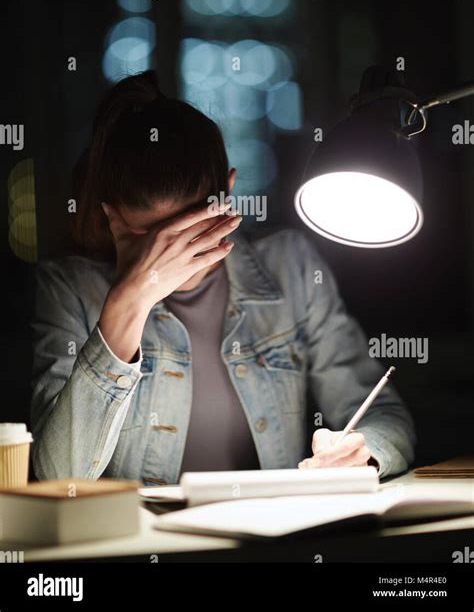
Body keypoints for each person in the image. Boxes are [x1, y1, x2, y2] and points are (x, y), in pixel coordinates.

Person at [30, 70, 416, 485]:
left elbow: (384, 416)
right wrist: (130, 302)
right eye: (153, 240)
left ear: (227, 194)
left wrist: (364, 453)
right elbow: (60, 478)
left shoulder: (292, 267)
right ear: (113, 218)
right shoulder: (69, 288)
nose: (176, 258)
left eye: (192, 234)